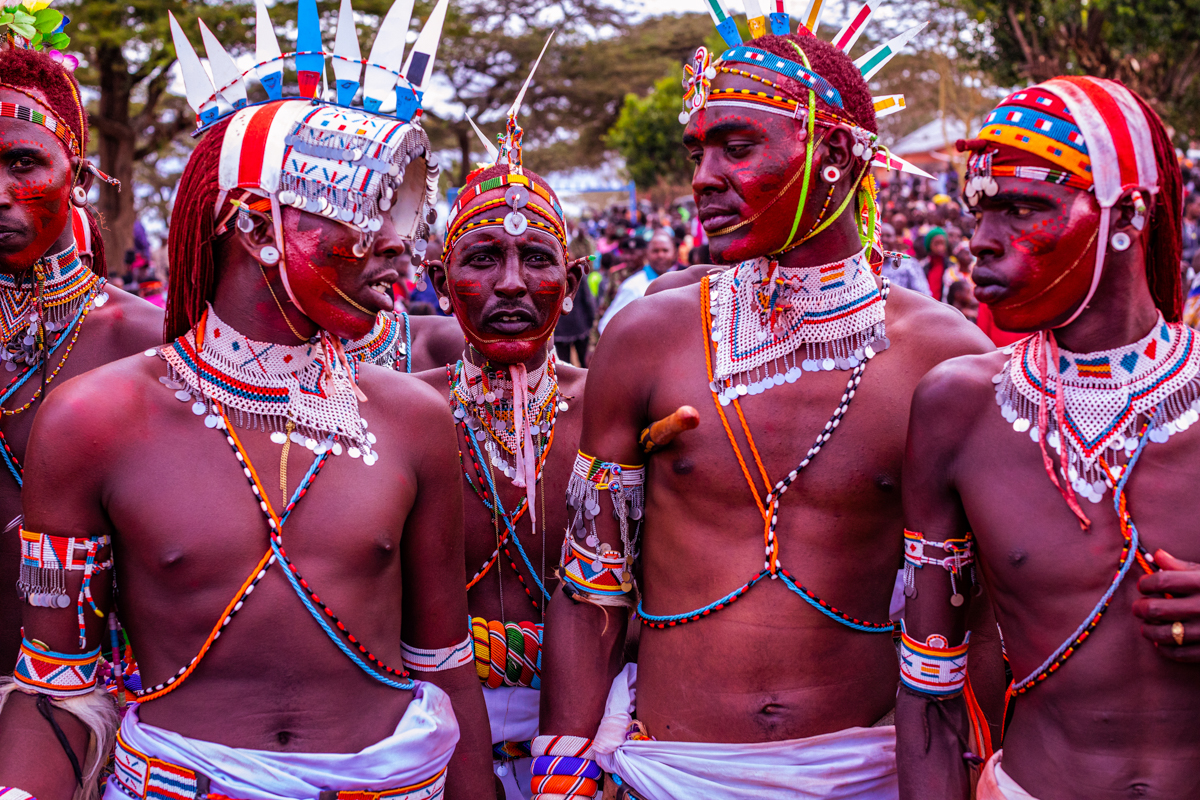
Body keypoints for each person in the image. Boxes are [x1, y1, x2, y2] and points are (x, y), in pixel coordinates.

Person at [0, 6, 497, 799]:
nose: (402, 243)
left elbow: (445, 668)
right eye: (364, 208)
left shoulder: (412, 419)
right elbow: (59, 692)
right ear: (255, 227)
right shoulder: (97, 419)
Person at [537, 19, 993, 799]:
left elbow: (992, 601)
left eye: (737, 146)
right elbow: (589, 593)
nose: (705, 177)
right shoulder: (649, 337)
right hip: (669, 773)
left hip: (870, 772)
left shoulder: (943, 360)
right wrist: (562, 775)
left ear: (838, 156)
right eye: (698, 152)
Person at [897, 76, 1200, 799]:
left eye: (1022, 209)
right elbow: (929, 694)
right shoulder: (957, 409)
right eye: (981, 210)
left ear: (1127, 212)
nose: (980, 241)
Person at [415, 91, 589, 795]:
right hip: (431, 737)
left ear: (571, 285)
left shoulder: (611, 412)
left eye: (536, 259)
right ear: (438, 284)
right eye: (483, 258)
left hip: (583, 736)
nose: (511, 283)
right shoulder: (394, 415)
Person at [0, 40, 163, 674]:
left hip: (103, 695)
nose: (2, 192)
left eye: (23, 163)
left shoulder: (155, 343)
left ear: (82, 177)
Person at [597, 233, 678, 334]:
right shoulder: (632, 286)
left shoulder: (679, 281)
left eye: (665, 250)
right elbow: (606, 326)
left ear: (674, 253)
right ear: (647, 254)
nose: (660, 255)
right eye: (655, 251)